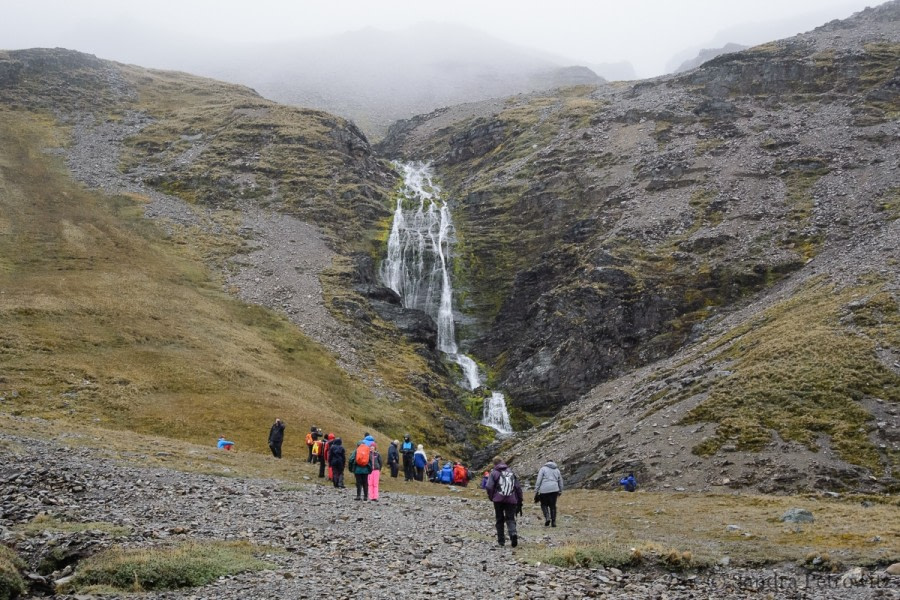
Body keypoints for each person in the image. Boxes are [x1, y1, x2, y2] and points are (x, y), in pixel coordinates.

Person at [485, 457, 523, 547]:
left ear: (494, 464)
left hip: (498, 499)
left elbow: (489, 486)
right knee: (510, 518)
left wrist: (492, 497)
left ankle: (501, 541)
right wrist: (519, 500)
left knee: (499, 519)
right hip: (511, 499)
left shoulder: (494, 473)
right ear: (502, 462)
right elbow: (518, 487)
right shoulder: (511, 472)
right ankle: (513, 534)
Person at [535, 460, 564, 527]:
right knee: (553, 505)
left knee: (544, 504)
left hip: (544, 489)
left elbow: (539, 480)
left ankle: (547, 518)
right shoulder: (557, 470)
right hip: (554, 489)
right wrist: (560, 490)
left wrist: (536, 490)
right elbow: (560, 481)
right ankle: (553, 522)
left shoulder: (543, 469)